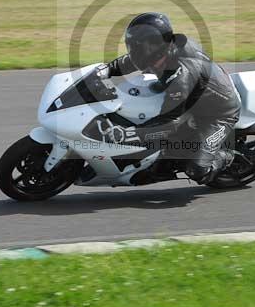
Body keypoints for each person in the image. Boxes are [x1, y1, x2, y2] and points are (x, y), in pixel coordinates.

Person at [97, 12, 241, 184]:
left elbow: (169, 124)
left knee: (197, 170)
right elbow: (130, 61)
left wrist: (129, 135)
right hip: (194, 95)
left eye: (141, 47)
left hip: (219, 114)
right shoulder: (162, 52)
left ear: (157, 47)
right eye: (135, 46)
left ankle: (226, 156)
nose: (135, 51)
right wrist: (105, 71)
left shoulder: (181, 77)